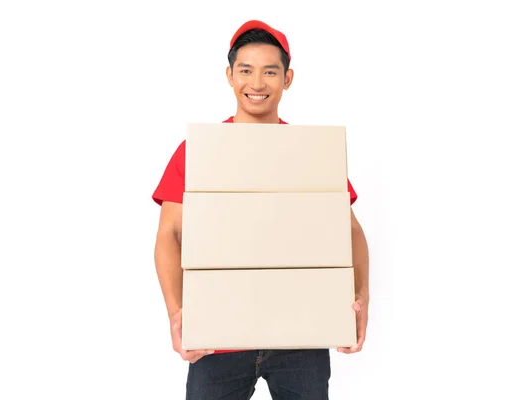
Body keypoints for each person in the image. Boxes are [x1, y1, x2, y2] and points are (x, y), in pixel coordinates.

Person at [152, 19, 370, 400]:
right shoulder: (197, 150)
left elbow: (350, 230)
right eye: (246, 70)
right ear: (229, 76)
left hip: (300, 336)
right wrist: (177, 315)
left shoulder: (310, 151)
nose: (256, 83)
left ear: (287, 79)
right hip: (217, 338)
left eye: (270, 72)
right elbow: (169, 235)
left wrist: (361, 300)